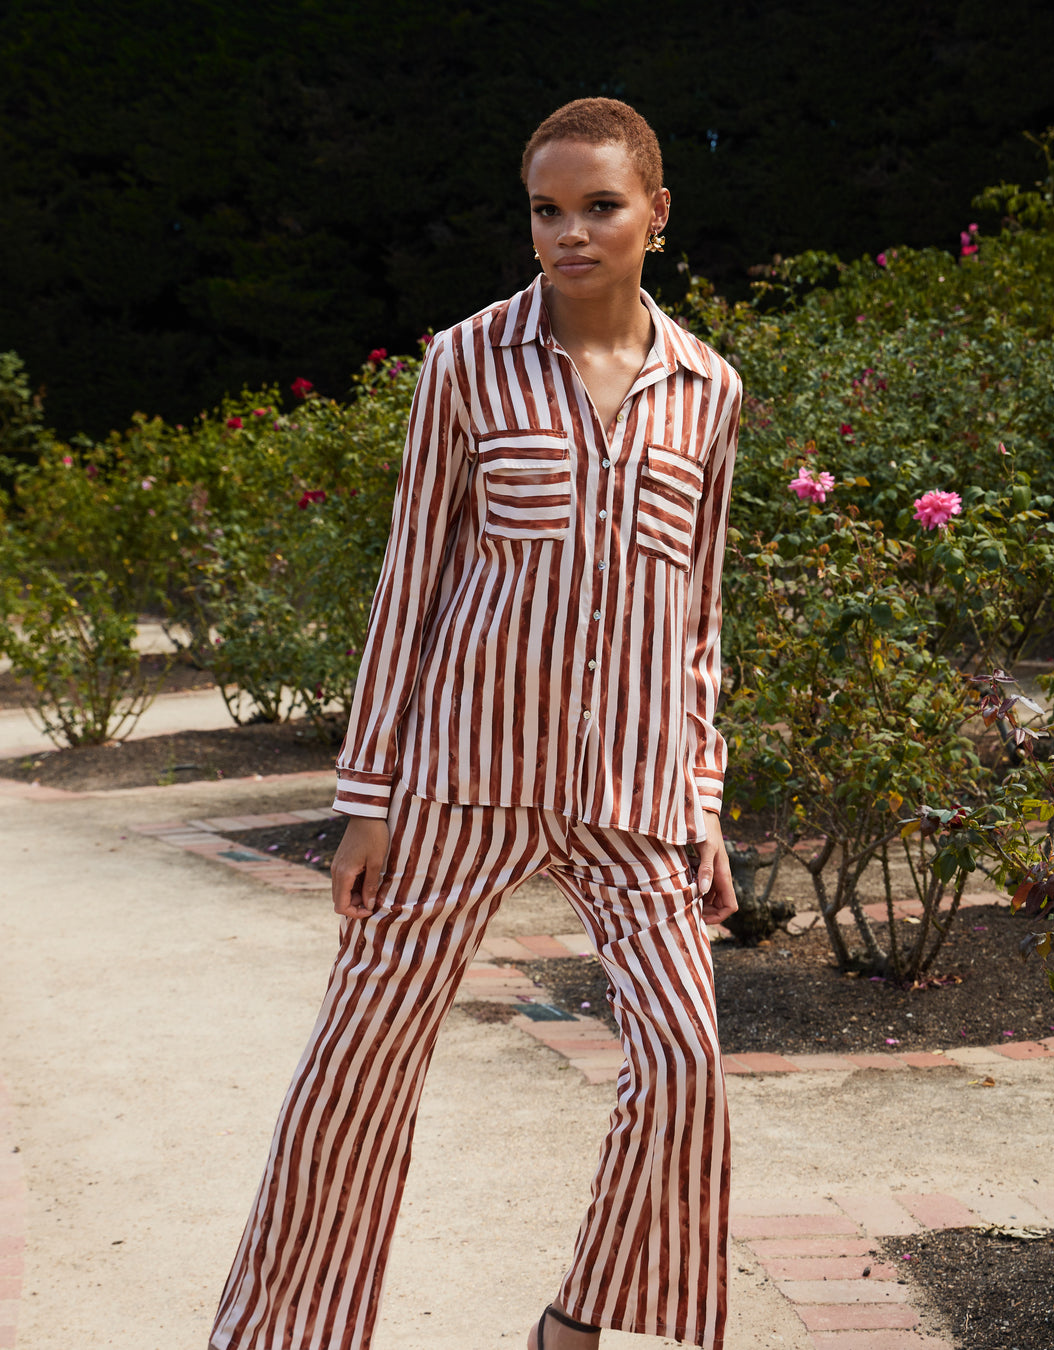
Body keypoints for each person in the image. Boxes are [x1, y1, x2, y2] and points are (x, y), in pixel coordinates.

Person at [208, 96, 741, 1350]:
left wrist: (704, 800)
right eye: (548, 211)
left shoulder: (709, 390)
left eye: (600, 206)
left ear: (657, 214)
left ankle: (581, 1319)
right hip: (462, 777)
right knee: (356, 1074)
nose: (571, 232)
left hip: (635, 791)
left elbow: (699, 616)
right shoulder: (464, 362)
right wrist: (367, 803)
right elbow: (413, 585)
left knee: (684, 1066)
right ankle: (284, 1337)